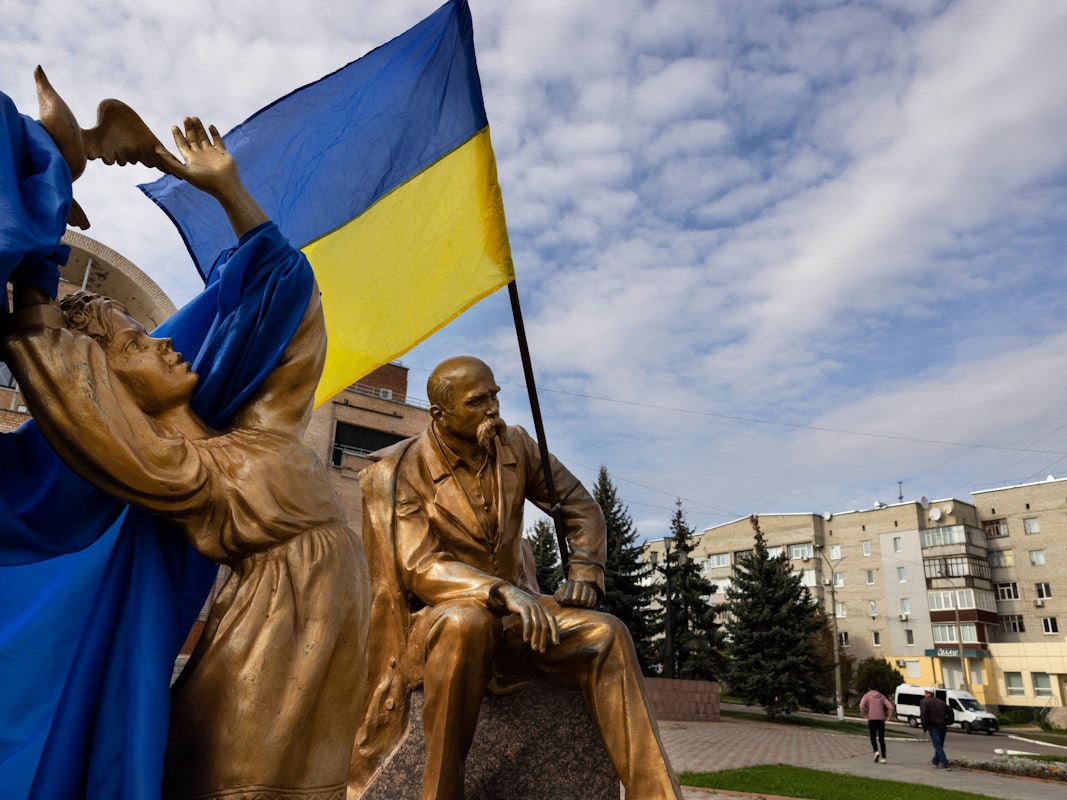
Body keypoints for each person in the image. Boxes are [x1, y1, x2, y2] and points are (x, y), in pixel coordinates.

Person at [3, 117, 371, 800]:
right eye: (137, 346)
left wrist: (231, 193)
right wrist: (33, 282)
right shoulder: (171, 466)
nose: (164, 343)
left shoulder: (260, 429)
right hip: (273, 626)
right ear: (111, 387)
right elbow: (75, 405)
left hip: (340, 618)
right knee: (233, 782)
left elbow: (294, 297)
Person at [350, 355, 683, 800]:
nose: (493, 409)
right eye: (477, 401)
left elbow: (582, 509)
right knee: (466, 623)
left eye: (494, 396)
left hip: (518, 620)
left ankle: (656, 795)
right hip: (443, 621)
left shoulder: (517, 446)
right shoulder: (406, 469)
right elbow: (421, 566)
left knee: (607, 635)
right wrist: (498, 591)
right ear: (440, 414)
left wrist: (585, 570)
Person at [858, 684, 895, 763]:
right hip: (881, 719)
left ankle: (876, 751)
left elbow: (861, 706)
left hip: (872, 719)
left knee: (873, 737)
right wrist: (889, 717)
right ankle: (884, 758)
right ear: (877, 688)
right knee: (881, 739)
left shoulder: (866, 696)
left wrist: (864, 715)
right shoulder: (882, 696)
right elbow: (890, 707)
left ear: (869, 688)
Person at [919, 689, 953, 770]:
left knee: (938, 745)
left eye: (925, 692)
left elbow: (923, 714)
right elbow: (950, 711)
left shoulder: (924, 702)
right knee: (939, 744)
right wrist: (948, 721)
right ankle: (935, 760)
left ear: (927, 693)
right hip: (943, 726)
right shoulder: (941, 702)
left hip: (933, 726)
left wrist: (924, 726)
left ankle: (945, 763)